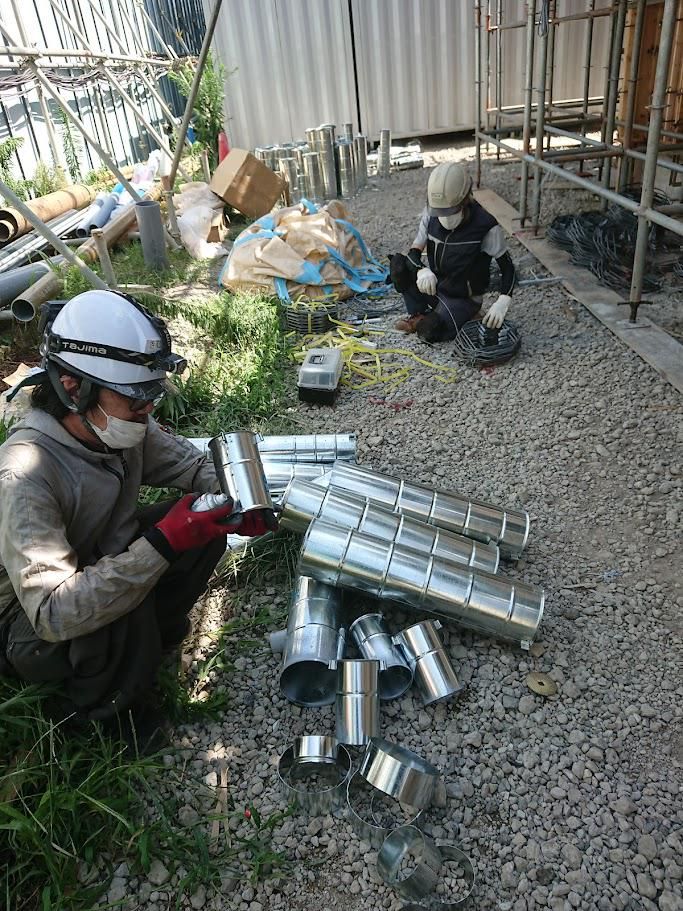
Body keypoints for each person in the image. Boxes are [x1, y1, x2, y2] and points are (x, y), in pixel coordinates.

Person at [0, 290, 276, 743]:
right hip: (33, 624)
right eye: (135, 398)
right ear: (74, 388)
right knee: (120, 594)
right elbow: (54, 613)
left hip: (95, 562)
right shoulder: (26, 473)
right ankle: (101, 716)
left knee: (204, 523)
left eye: (152, 395)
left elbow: (192, 467)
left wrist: (241, 501)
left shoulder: (119, 426)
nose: (147, 409)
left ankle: (149, 641)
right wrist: (161, 545)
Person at [391, 161, 517, 343]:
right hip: (436, 286)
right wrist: (421, 270)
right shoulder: (430, 215)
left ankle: (466, 314)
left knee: (429, 332)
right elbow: (413, 253)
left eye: (450, 211)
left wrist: (503, 300)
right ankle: (420, 312)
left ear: (465, 200)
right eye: (439, 211)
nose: (444, 216)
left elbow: (507, 267)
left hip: (462, 297)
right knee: (398, 264)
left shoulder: (485, 226)